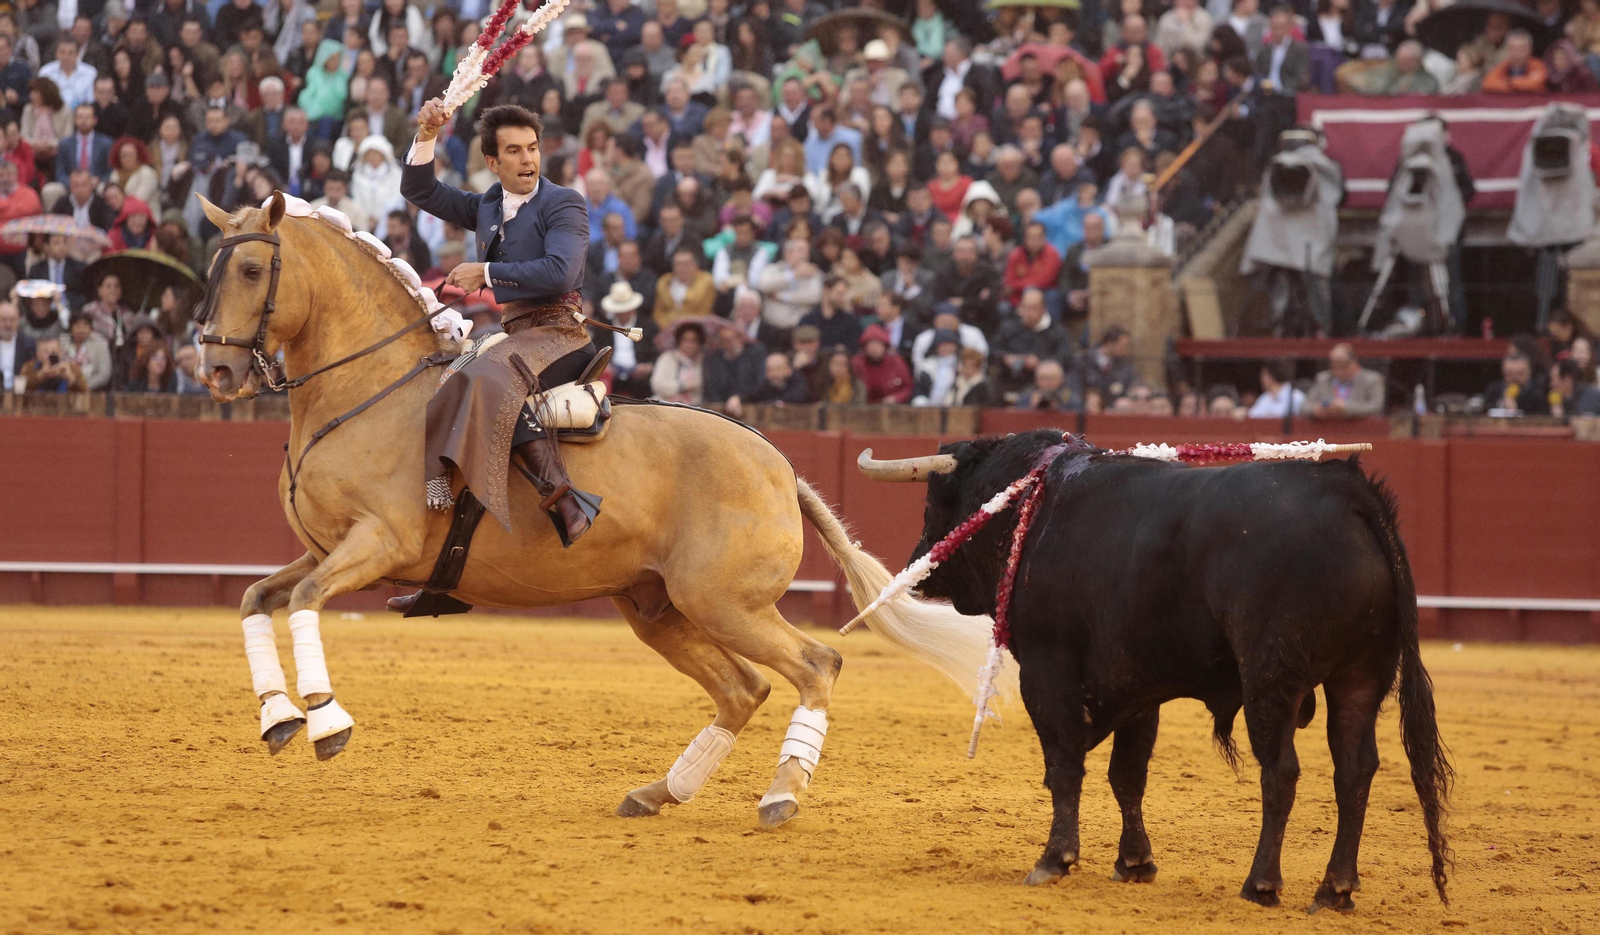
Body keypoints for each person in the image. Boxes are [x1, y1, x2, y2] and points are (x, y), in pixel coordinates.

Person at [398, 100, 602, 576]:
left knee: (486, 376)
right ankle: (441, 516)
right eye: (514, 151)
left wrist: (486, 272)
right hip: (515, 336)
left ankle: (566, 500)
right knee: (447, 381)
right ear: (493, 162)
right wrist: (428, 132)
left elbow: (561, 272)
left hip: (561, 332)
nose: (528, 159)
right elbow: (418, 188)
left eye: (532, 148)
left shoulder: (564, 201)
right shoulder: (488, 203)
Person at [702, 317, 766, 417]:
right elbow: (710, 385)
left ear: (740, 338)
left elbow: (759, 382)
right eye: (724, 340)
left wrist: (739, 397)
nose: (729, 343)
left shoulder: (754, 354)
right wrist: (720, 405)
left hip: (750, 406)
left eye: (732, 339)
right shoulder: (714, 359)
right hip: (721, 409)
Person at [1306, 342, 1385, 417]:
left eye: (1343, 366)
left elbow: (1377, 407)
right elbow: (1305, 406)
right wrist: (1316, 410)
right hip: (1326, 428)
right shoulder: (1323, 379)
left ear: (1354, 362)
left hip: (1359, 428)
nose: (1339, 372)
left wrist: (1346, 408)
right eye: (1335, 367)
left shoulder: (1372, 380)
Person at [653, 246, 715, 328]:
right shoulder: (664, 282)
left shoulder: (706, 282)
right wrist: (669, 327)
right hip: (667, 329)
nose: (682, 268)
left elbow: (705, 312)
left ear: (695, 265)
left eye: (686, 264)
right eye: (678, 264)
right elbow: (658, 313)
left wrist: (683, 324)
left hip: (697, 329)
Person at [851, 323, 913, 403]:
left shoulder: (897, 362)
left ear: (885, 346)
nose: (874, 348)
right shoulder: (856, 363)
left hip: (891, 408)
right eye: (871, 344)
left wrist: (896, 398)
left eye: (878, 344)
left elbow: (908, 387)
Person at [650, 319, 707, 403]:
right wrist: (682, 386)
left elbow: (703, 388)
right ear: (679, 341)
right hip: (664, 403)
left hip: (694, 407)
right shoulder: (667, 358)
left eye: (693, 341)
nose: (689, 345)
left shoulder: (704, 361)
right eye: (685, 340)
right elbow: (657, 385)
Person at [1483, 352, 1548, 415]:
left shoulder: (1538, 393)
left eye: (1520, 373)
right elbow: (1484, 410)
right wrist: (1502, 404)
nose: (1514, 377)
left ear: (1529, 372)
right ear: (1503, 372)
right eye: (1509, 374)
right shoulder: (1494, 389)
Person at [1482, 30, 1547, 93]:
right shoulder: (1503, 66)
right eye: (1513, 49)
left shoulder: (1539, 65)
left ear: (1530, 49)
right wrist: (1520, 85)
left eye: (1522, 48)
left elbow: (1537, 84)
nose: (1517, 53)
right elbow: (1488, 83)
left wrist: (1508, 82)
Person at [60, 312, 111, 390]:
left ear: (90, 327)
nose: (81, 329)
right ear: (71, 327)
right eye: (77, 325)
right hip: (64, 387)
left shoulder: (100, 343)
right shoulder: (62, 341)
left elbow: (104, 374)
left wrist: (84, 386)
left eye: (85, 325)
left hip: (91, 388)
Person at [18, 333, 86, 392]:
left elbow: (86, 394)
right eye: (45, 352)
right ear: (37, 354)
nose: (50, 355)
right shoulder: (29, 367)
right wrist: (40, 375)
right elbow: (20, 392)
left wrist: (70, 378)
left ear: (60, 352)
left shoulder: (72, 368)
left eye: (54, 351)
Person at [747, 350, 811, 403]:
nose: (774, 374)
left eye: (778, 369)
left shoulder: (798, 382)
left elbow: (799, 395)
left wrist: (777, 402)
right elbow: (751, 396)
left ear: (789, 370)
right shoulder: (763, 384)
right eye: (770, 370)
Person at [0, 300, 34, 391]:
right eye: (4, 320)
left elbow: (31, 372)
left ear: (18, 320)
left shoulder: (28, 344)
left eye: (12, 320)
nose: (8, 324)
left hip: (20, 395)